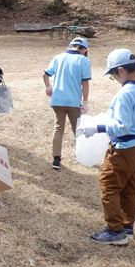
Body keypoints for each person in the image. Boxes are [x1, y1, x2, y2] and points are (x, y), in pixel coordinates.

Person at [81, 49, 135, 246]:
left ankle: (115, 231)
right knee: (129, 188)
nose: (115, 79)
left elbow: (122, 126)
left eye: (113, 76)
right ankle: (127, 226)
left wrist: (96, 127)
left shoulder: (125, 93)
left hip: (124, 148)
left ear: (121, 70)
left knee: (109, 186)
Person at [42, 37, 91, 170]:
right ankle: (79, 155)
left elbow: (45, 75)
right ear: (84, 49)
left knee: (58, 128)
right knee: (77, 129)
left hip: (57, 100)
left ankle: (56, 159)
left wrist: (48, 87)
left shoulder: (58, 57)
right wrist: (85, 101)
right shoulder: (84, 60)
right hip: (74, 102)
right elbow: (85, 83)